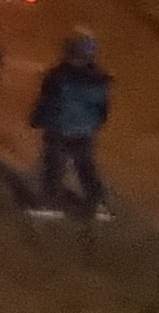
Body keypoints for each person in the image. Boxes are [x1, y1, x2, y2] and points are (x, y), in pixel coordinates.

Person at [24, 30, 116, 220]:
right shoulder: (100, 80)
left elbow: (47, 102)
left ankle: (48, 203)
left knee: (54, 166)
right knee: (86, 166)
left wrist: (36, 119)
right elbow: (103, 111)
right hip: (85, 131)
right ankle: (98, 203)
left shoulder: (57, 76)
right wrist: (92, 125)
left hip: (59, 129)